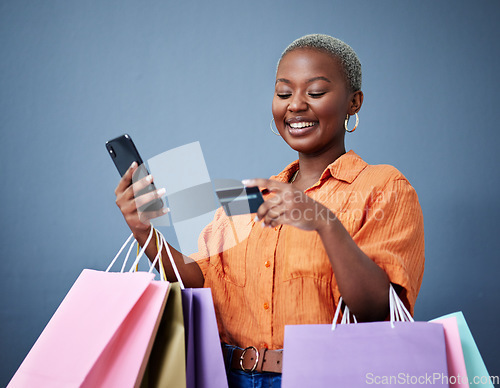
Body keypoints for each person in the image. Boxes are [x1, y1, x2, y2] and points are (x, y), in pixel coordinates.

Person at [114, 34, 425, 388]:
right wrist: (143, 230)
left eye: (316, 92)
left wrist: (325, 223)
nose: (295, 105)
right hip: (227, 377)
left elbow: (377, 313)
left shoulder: (384, 186)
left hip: (324, 379)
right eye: (283, 93)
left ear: (354, 102)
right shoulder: (249, 194)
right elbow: (200, 283)